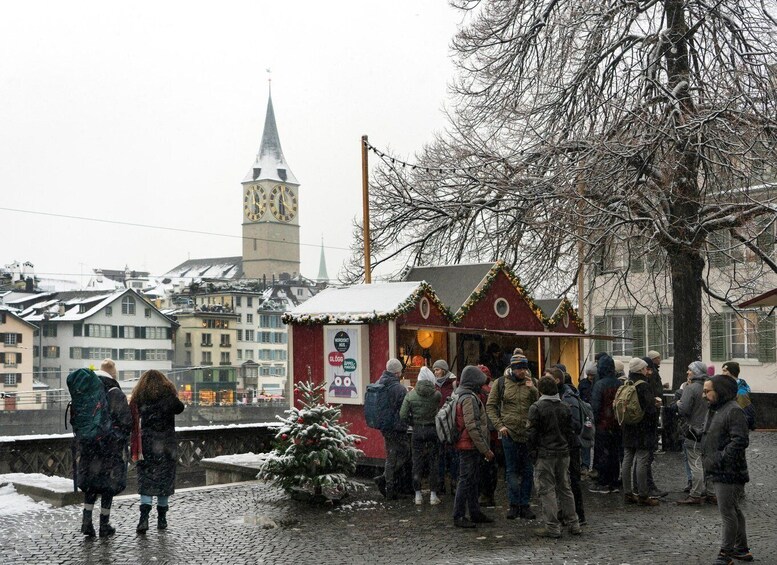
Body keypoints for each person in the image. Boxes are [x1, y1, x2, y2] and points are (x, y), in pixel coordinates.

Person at [75, 365, 132, 537]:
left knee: (91, 485)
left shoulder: (87, 392)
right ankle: (104, 525)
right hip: (109, 448)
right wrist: (118, 436)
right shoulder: (115, 393)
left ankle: (86, 522)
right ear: (113, 375)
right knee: (108, 486)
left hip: (87, 447)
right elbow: (126, 421)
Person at [701, 376, 752, 564]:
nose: (704, 395)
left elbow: (740, 440)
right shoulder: (716, 408)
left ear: (720, 391)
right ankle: (741, 549)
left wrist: (720, 459)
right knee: (733, 510)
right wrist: (697, 434)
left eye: (707, 391)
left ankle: (726, 554)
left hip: (729, 470)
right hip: (720, 467)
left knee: (728, 512)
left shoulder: (733, 410)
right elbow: (716, 434)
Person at [130, 369, 185, 533]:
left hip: (146, 446)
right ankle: (162, 520)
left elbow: (131, 412)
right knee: (164, 483)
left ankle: (143, 519)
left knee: (146, 482)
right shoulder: (168, 398)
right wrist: (170, 393)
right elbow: (180, 407)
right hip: (167, 447)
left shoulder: (141, 397)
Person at [528, 376, 582, 538]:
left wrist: (532, 453)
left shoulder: (536, 408)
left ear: (540, 390)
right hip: (563, 453)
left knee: (547, 490)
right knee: (565, 489)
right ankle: (574, 524)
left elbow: (532, 434)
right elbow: (571, 430)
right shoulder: (564, 407)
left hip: (545, 454)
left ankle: (552, 526)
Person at [486, 354, 539, 520]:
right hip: (509, 433)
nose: (522, 371)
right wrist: (499, 426)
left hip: (528, 434)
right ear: (512, 368)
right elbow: (491, 406)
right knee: (512, 471)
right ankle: (514, 504)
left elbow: (538, 405)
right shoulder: (501, 383)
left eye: (524, 368)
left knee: (528, 470)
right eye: (518, 368)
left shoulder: (532, 383)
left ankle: (525, 504)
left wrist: (533, 389)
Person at [452, 365, 494, 528]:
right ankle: (459, 515)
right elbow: (472, 426)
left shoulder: (461, 394)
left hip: (467, 444)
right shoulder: (468, 398)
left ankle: (474, 512)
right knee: (466, 479)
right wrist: (485, 449)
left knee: (471, 479)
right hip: (468, 446)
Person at [546, 367, 586, 525]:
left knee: (572, 481)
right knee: (563, 481)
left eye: (548, 378)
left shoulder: (568, 398)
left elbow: (576, 425)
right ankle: (568, 512)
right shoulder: (557, 396)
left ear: (556, 380)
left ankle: (578, 514)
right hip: (562, 444)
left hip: (569, 445)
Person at [399, 366, 442, 505]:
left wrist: (414, 422)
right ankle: (433, 495)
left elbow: (403, 415)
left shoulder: (410, 395)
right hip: (432, 430)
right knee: (433, 463)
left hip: (417, 432)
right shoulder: (437, 395)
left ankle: (417, 495)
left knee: (417, 463)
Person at [621, 358, 660, 507]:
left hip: (628, 426)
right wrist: (656, 406)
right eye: (645, 369)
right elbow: (649, 409)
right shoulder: (644, 385)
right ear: (641, 370)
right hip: (643, 428)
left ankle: (627, 492)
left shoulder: (626, 383)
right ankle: (643, 494)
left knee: (627, 459)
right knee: (642, 460)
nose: (647, 371)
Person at [372, 358, 409, 500]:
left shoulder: (379, 383)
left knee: (391, 455)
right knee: (402, 455)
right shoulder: (399, 389)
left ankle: (388, 484)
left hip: (385, 426)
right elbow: (404, 410)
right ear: (397, 372)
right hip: (397, 427)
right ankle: (387, 484)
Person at [677, 361, 713, 505]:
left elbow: (684, 409)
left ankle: (696, 494)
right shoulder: (711, 387)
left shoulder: (690, 388)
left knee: (696, 463)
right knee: (709, 463)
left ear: (696, 372)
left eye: (690, 370)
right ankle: (712, 493)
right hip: (710, 430)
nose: (687, 372)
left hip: (693, 431)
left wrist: (678, 404)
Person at [589, 354, 622, 494]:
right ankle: (614, 481)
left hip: (603, 425)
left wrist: (595, 422)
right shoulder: (619, 383)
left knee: (602, 454)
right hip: (617, 425)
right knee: (615, 454)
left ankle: (603, 481)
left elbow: (595, 407)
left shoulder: (599, 384)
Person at [640, 356, 668, 498]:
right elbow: (651, 402)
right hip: (647, 425)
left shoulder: (635, 382)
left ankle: (639, 487)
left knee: (638, 458)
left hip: (640, 426)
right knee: (645, 458)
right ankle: (645, 488)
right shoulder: (645, 383)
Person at [433, 359, 458, 494]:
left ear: (444, 369)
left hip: (451, 423)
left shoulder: (453, 382)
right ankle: (441, 483)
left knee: (453, 455)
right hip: (439, 424)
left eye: (437, 369)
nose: (436, 372)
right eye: (434, 370)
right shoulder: (434, 385)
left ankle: (454, 483)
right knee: (440, 456)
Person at [476, 364, 499, 507]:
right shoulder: (492, 391)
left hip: (480, 435)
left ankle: (481, 494)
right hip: (493, 434)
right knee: (491, 467)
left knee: (480, 467)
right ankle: (489, 494)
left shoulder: (476, 393)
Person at [721, 361, 757, 430]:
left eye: (725, 371)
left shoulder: (741, 392)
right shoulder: (727, 387)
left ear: (732, 372)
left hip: (736, 427)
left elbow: (745, 415)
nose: (722, 373)